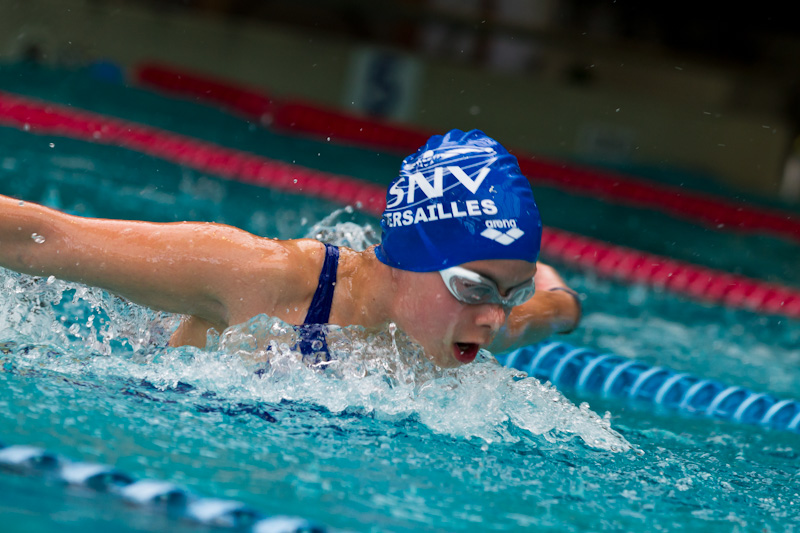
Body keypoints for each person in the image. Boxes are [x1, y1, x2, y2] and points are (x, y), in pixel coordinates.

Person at [0, 129, 581, 368]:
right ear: (408, 258)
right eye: (475, 287)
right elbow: (46, 239)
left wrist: (552, 297)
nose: (495, 315)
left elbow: (556, 309)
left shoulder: (463, 326)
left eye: (511, 292)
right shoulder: (257, 275)